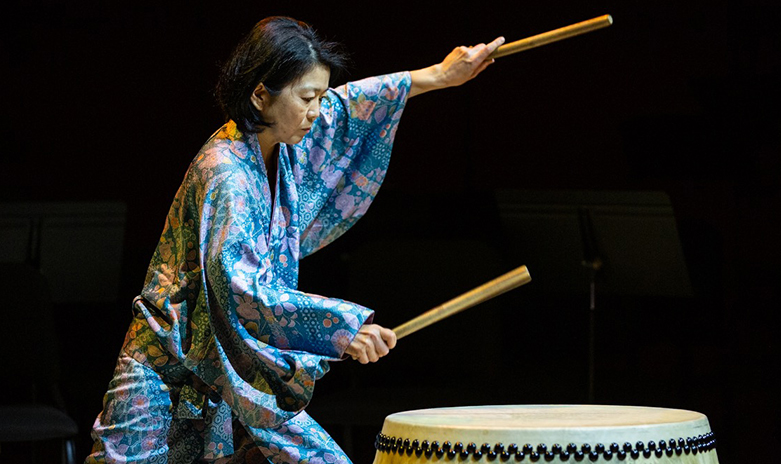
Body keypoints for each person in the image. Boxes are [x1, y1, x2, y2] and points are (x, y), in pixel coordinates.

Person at [86, 16, 504, 464]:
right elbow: (240, 288)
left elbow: (349, 108)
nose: (317, 112)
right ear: (260, 95)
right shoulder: (224, 172)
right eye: (308, 98)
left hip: (236, 370)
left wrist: (440, 75)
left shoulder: (282, 139)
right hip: (168, 370)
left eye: (319, 96)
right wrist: (341, 329)